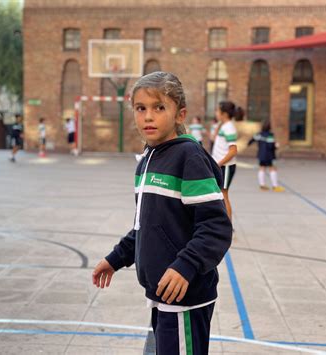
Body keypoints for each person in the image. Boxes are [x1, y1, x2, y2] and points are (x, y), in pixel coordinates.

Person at [92, 72, 232, 355]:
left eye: (159, 108)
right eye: (141, 108)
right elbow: (145, 226)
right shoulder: (148, 160)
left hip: (186, 297)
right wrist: (116, 258)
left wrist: (185, 266)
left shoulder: (188, 158)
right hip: (161, 295)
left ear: (180, 114)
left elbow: (216, 228)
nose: (148, 117)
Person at [211, 101, 239, 222]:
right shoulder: (224, 125)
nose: (216, 113)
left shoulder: (229, 128)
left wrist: (218, 164)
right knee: (219, 195)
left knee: (224, 195)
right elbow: (213, 138)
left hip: (225, 167)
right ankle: (222, 223)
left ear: (224, 114)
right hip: (221, 166)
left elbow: (233, 151)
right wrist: (219, 124)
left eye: (217, 111)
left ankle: (228, 226)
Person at [248, 120, 285, 192]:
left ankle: (262, 185)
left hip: (261, 155)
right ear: (269, 127)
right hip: (269, 155)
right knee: (272, 169)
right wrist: (276, 146)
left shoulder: (258, 134)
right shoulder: (270, 135)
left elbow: (251, 140)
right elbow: (271, 146)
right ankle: (275, 186)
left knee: (262, 168)